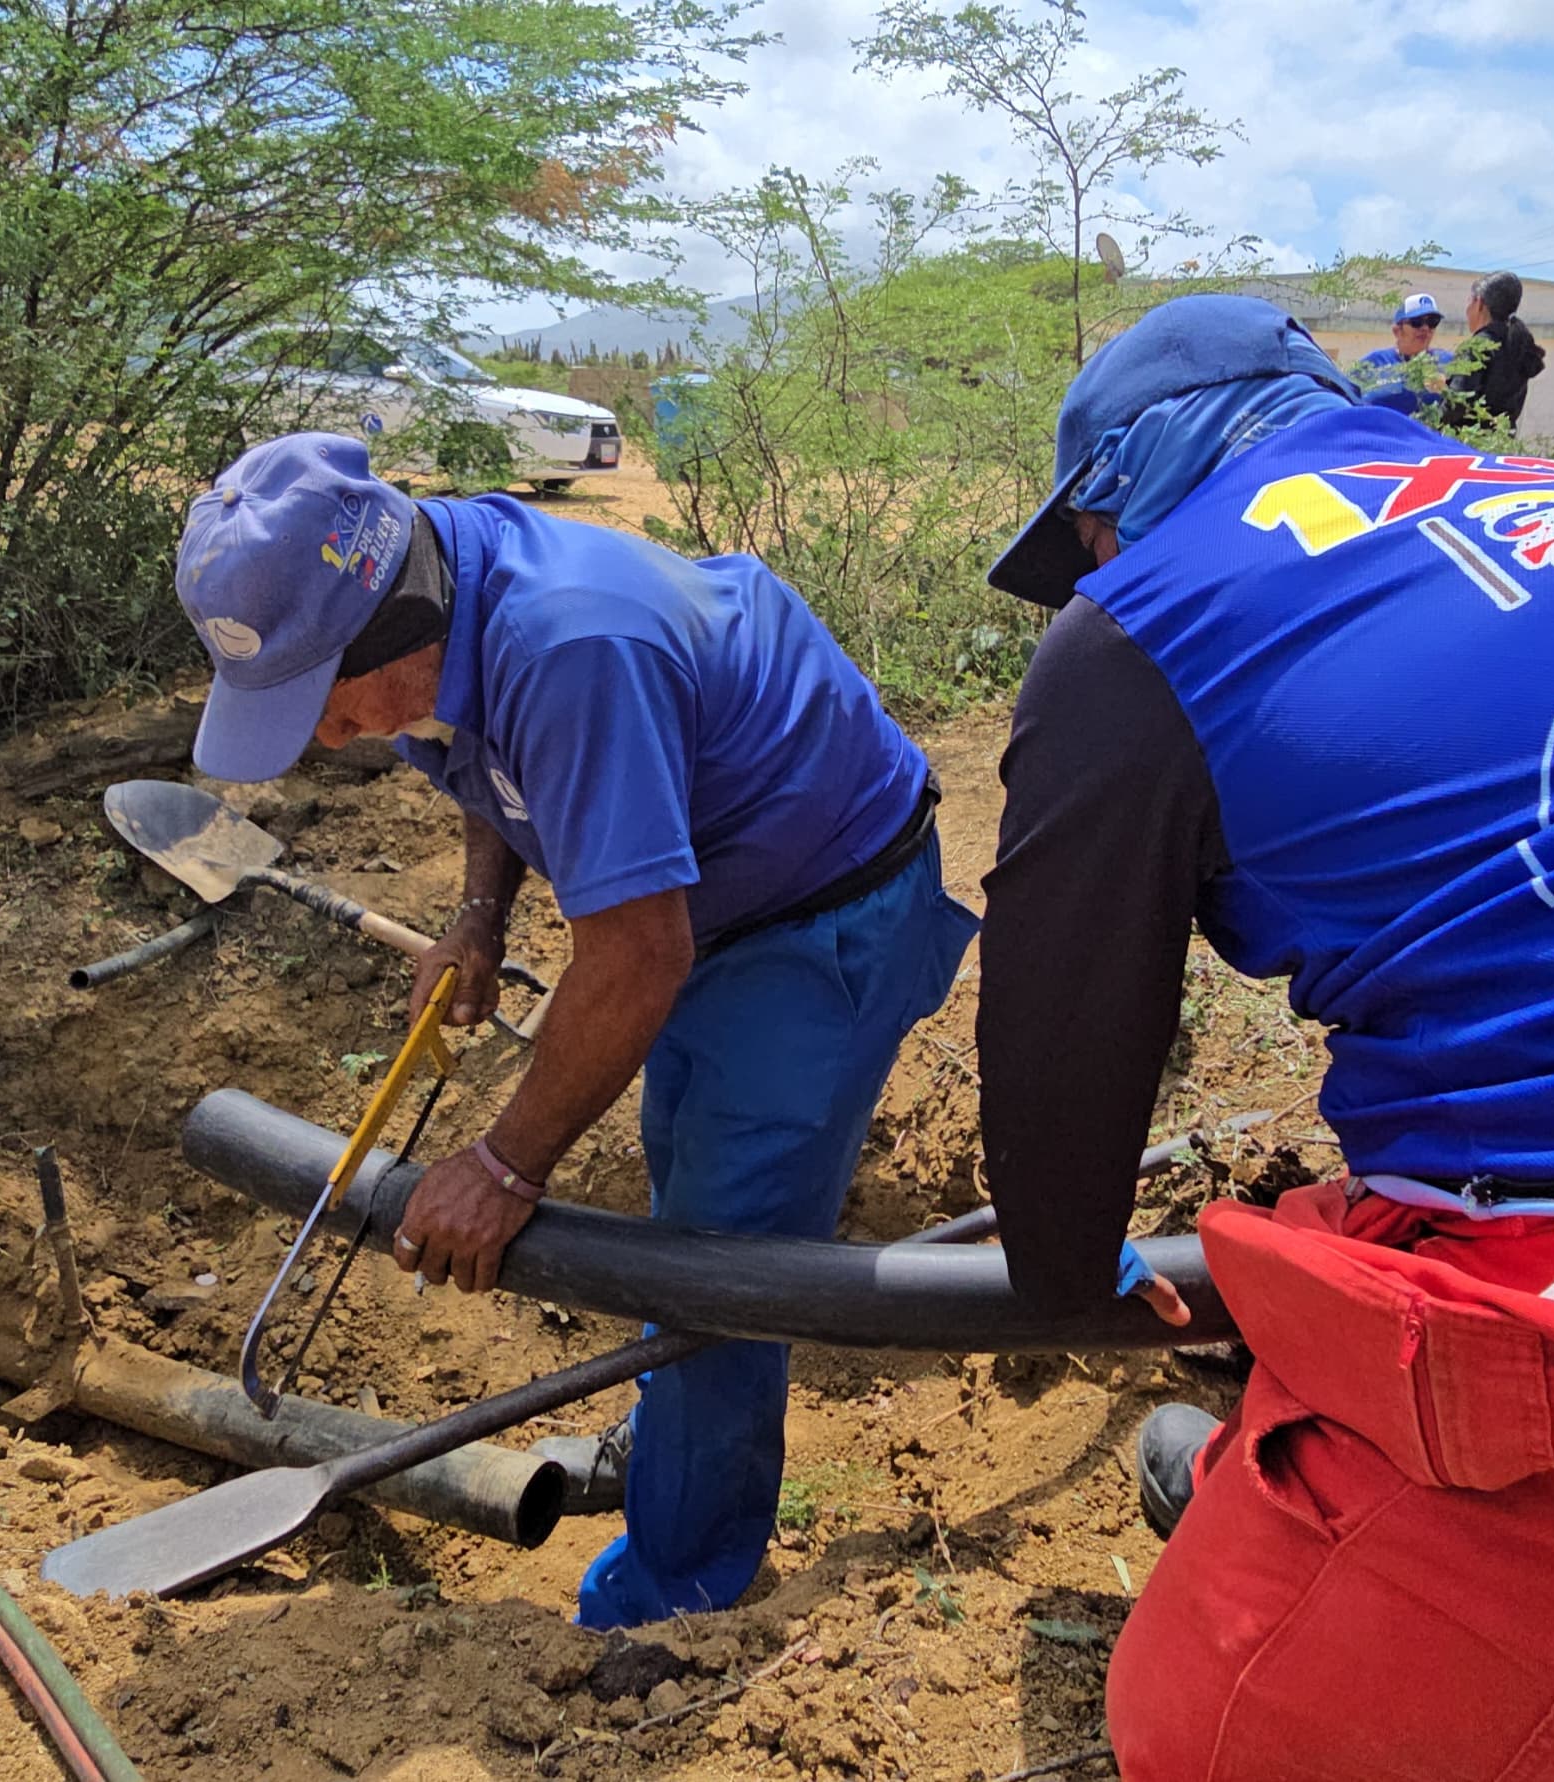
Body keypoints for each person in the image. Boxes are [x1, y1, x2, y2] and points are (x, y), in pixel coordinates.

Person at [978, 293, 1554, 1778]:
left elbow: (1054, 1144)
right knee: (1358, 1215)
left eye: (1088, 537)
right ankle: (1277, 1464)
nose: (1096, 568)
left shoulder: (1141, 617)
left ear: (1126, 492)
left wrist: (1074, 1274)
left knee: (1208, 1715)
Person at [176, 431, 978, 1628]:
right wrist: (479, 917)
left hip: (824, 914)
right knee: (684, 1187)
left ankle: (680, 1591)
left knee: (722, 1261)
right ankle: (675, 1439)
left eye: (319, 703)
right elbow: (475, 760)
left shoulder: (571, 645)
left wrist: (502, 1165)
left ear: (395, 629)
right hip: (708, 899)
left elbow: (638, 955)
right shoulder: (432, 577)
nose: (321, 739)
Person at [1448, 268, 1547, 430]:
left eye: (1470, 301)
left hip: (1468, 446)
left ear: (1479, 303)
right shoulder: (1518, 345)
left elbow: (1457, 404)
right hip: (1500, 445)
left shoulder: (1477, 347)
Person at [1352, 291, 1453, 415]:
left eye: (1433, 322)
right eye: (1417, 322)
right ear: (1397, 331)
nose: (1425, 328)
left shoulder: (1448, 364)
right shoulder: (1372, 364)